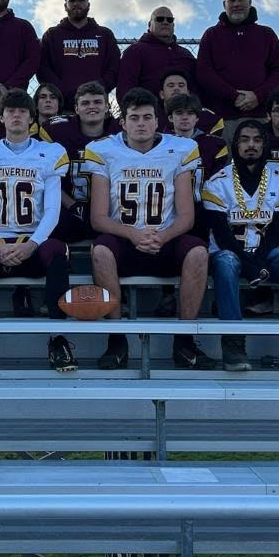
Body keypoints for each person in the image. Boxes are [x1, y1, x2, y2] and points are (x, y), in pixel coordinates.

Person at [83, 87, 213, 370]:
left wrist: (162, 236)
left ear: (157, 121)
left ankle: (185, 340)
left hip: (164, 239)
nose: (140, 123)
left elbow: (186, 216)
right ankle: (116, 341)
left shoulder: (180, 149)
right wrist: (133, 234)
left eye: (146, 117)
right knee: (101, 250)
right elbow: (98, 218)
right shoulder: (103, 151)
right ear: (123, 122)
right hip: (125, 239)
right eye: (134, 118)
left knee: (199, 253)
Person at [0, 90, 75, 371]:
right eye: (11, 111)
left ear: (32, 119)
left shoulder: (50, 153)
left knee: (57, 250)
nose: (17, 115)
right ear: (2, 117)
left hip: (33, 243)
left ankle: (58, 337)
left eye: (23, 111)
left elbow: (53, 209)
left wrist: (31, 244)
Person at [203, 119, 279, 370]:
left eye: (257, 140)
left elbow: (276, 233)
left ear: (265, 145)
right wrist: (252, 266)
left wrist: (258, 263)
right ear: (235, 145)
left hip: (265, 253)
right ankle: (233, 343)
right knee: (227, 262)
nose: (251, 145)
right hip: (227, 252)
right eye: (244, 139)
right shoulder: (216, 183)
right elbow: (222, 235)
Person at [196, 0, 279, 138]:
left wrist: (257, 95)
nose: (237, 3)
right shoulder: (211, 35)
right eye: (232, 0)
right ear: (224, 4)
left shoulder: (266, 34)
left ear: (250, 2)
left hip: (260, 118)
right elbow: (204, 72)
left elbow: (278, 71)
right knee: (224, 163)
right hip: (222, 121)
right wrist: (233, 95)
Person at [40, 81, 118, 243]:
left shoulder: (120, 133)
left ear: (106, 107)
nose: (92, 107)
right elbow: (47, 177)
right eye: (85, 103)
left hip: (111, 209)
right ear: (76, 109)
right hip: (71, 206)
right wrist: (72, 205)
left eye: (97, 102)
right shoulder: (58, 131)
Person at [37, 0, 120, 103]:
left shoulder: (105, 34)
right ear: (65, 6)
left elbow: (114, 67)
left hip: (97, 104)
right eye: (72, 0)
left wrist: (98, 88)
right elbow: (42, 68)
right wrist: (60, 90)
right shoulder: (52, 35)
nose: (76, 3)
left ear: (88, 5)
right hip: (63, 105)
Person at [116, 6, 196, 101]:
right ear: (150, 24)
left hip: (184, 114)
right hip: (149, 114)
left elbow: (196, 87)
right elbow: (125, 89)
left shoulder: (185, 54)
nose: (165, 22)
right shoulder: (135, 51)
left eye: (170, 20)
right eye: (160, 19)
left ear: (173, 25)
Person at [158, 69, 223, 136]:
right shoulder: (152, 118)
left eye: (181, 85)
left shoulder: (208, 118)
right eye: (171, 86)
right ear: (162, 94)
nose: (176, 88)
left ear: (188, 93)